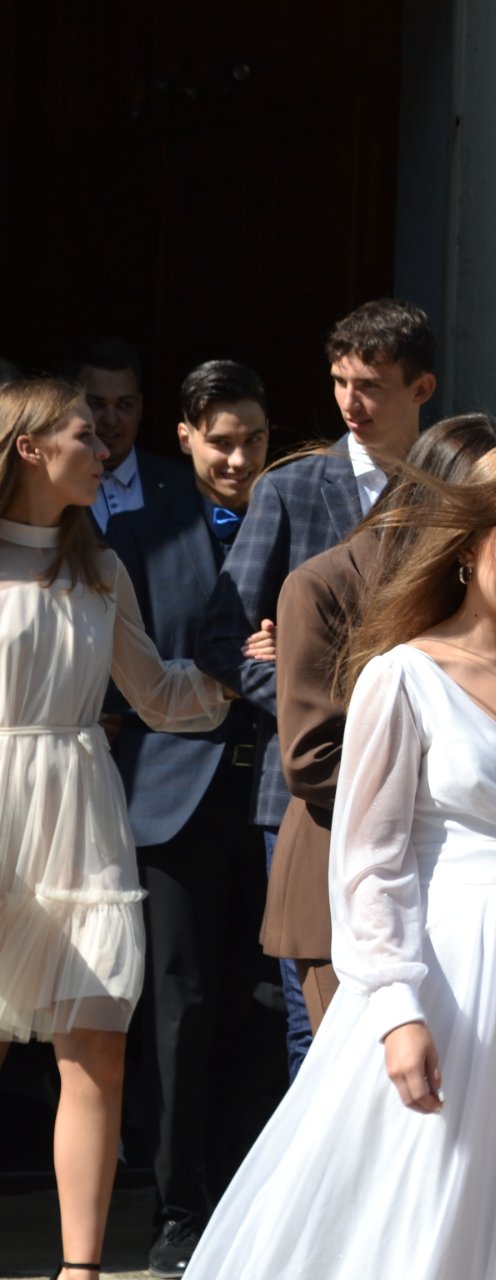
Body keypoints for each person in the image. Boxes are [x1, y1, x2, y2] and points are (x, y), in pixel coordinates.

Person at [184, 440, 496, 1280]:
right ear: (468, 543)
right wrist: (397, 1009)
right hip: (441, 967)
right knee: (420, 1196)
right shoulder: (402, 676)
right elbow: (368, 863)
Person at [0, 378, 233, 1280]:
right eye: (84, 436)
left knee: (97, 1042)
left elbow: (158, 696)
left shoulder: (100, 567)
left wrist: (240, 675)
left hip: (81, 813)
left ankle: (81, 1270)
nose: (105, 451)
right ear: (30, 448)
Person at [196, 298, 438, 1077]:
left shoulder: (452, 491)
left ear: (422, 389)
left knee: (422, 1004)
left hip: (430, 781)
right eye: (339, 382)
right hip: (310, 788)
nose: (349, 403)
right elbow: (221, 637)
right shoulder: (292, 487)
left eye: (370, 385)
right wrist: (310, 694)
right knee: (317, 1022)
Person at [103, 360, 277, 1277]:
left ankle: (256, 1196)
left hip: (277, 796)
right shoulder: (135, 533)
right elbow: (117, 680)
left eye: (254, 440)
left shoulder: (294, 526)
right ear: (184, 437)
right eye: (220, 442)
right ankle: (178, 1210)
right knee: (181, 1005)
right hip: (172, 799)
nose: (238, 459)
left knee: (268, 1001)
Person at [264, 414, 496, 1031]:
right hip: (341, 878)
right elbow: (311, 757)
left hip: (460, 890)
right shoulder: (324, 584)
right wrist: (465, 792)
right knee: (353, 1082)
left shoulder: (479, 591)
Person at [69, 338, 151, 530]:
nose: (111, 420)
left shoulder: (181, 486)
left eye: (125, 405)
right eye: (96, 404)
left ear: (139, 408)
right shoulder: (50, 488)